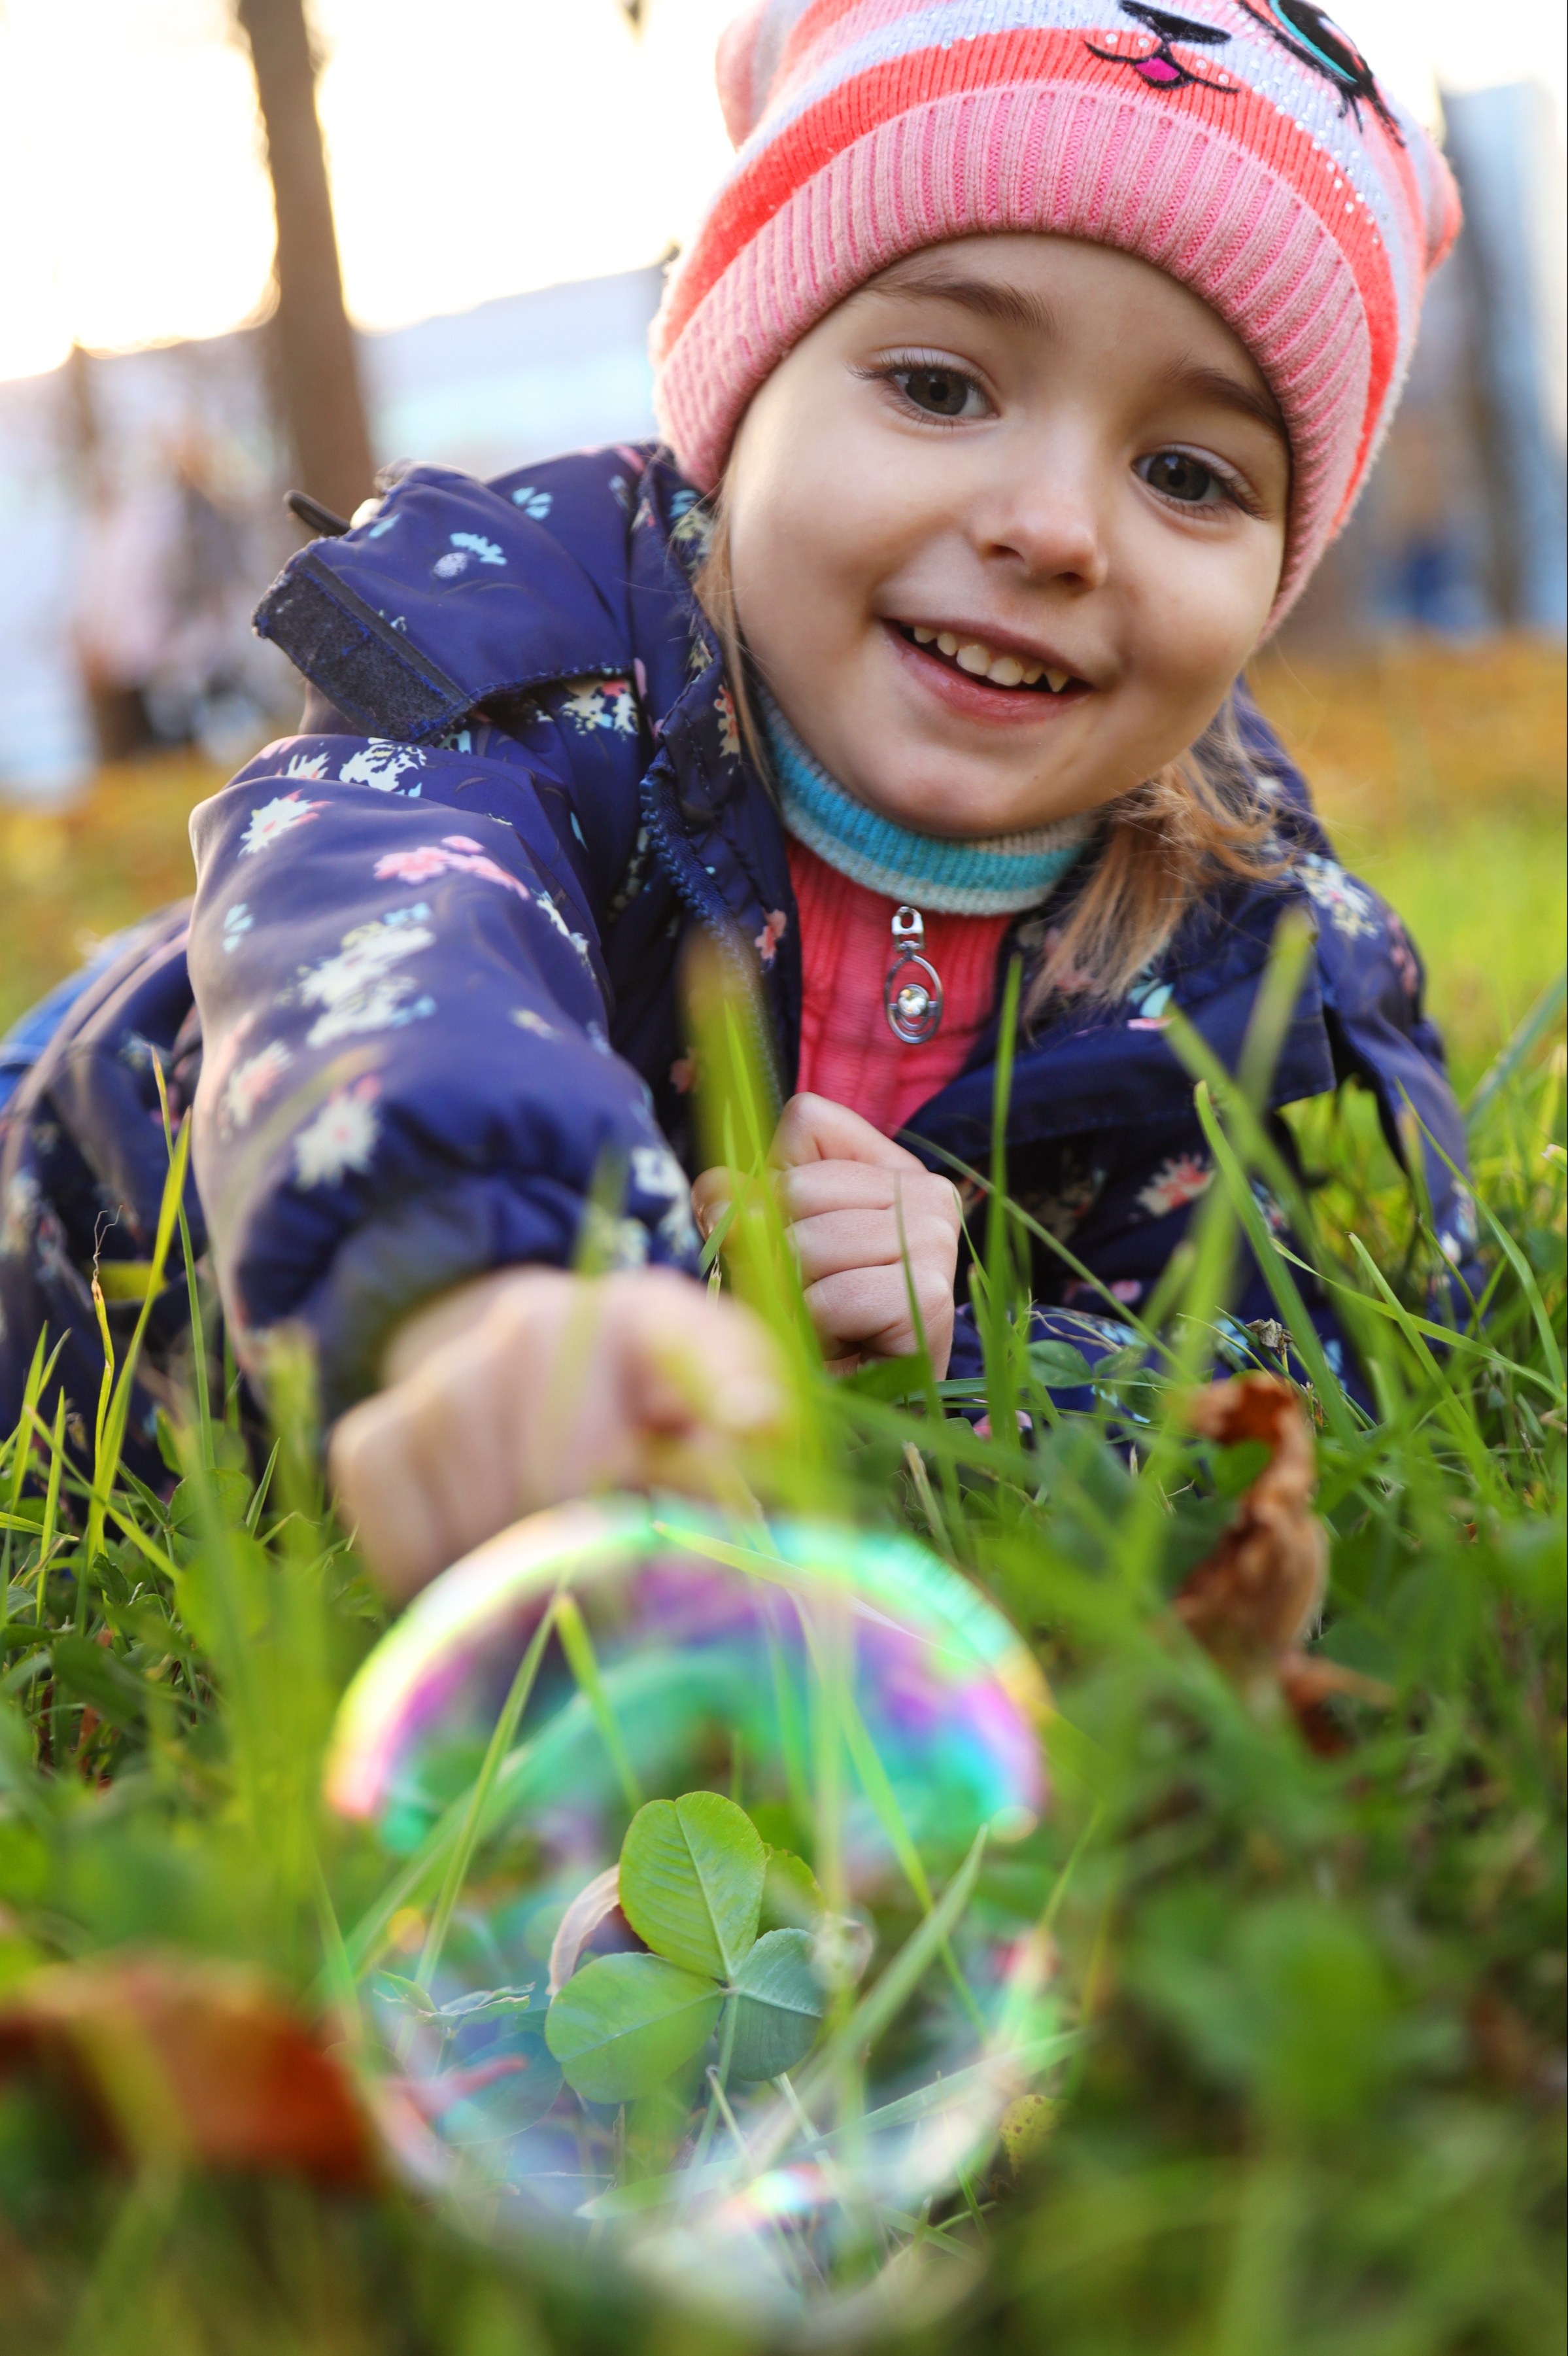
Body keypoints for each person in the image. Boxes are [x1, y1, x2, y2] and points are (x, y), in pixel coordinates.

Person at [0, 0, 1475, 1599]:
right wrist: (496, 1278)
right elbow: (374, 937)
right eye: (937, 385)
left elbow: (1252, 1367)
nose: (1054, 526)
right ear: (737, 398)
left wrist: (973, 1319)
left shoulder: (1215, 939)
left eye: (1187, 475)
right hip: (86, 1321)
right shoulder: (520, 669)